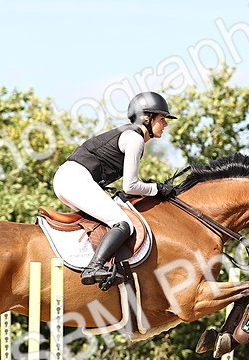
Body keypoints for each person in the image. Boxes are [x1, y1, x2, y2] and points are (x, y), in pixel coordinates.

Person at [52, 91, 179, 287]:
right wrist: (157, 188)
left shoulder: (130, 135)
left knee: (109, 219)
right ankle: (94, 266)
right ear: (147, 117)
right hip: (74, 179)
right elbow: (131, 185)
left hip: (71, 179)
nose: (166, 124)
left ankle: (106, 265)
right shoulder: (134, 139)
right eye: (162, 118)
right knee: (122, 223)